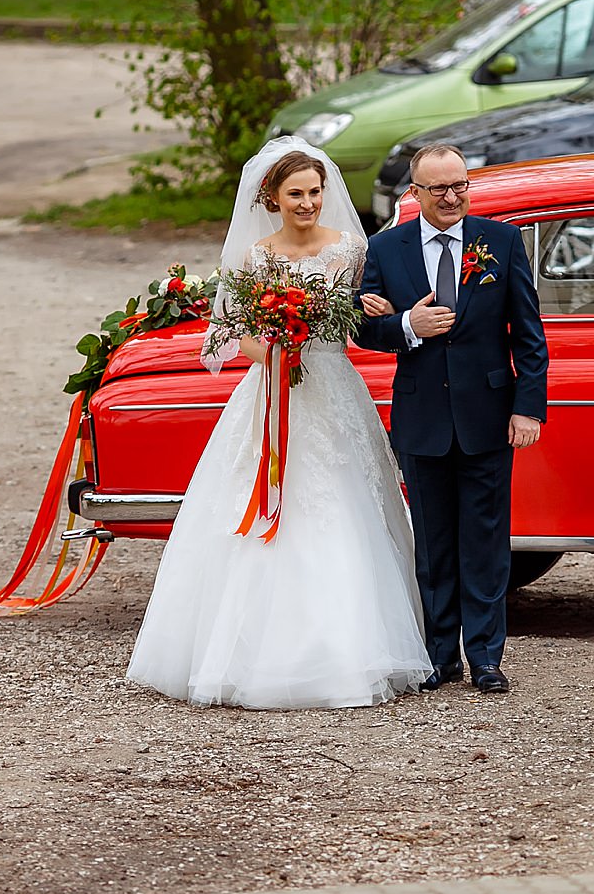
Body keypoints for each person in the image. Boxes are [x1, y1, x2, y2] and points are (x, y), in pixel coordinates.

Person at [126, 137, 433, 708]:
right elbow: (233, 337)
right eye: (297, 193)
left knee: (342, 503)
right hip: (272, 391)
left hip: (333, 389)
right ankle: (247, 650)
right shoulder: (254, 257)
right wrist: (274, 345)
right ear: (272, 197)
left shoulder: (349, 251)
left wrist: (383, 313)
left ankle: (346, 648)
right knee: (263, 502)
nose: (309, 202)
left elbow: (366, 316)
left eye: (316, 192)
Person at [355, 144, 549, 694]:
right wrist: (409, 325)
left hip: (488, 413)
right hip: (421, 416)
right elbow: (364, 330)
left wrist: (528, 407)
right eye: (438, 188)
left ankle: (486, 656)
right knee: (434, 542)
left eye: (459, 185)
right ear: (413, 194)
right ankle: (442, 656)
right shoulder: (386, 249)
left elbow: (529, 337)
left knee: (486, 541)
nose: (451, 197)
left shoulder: (501, 241)